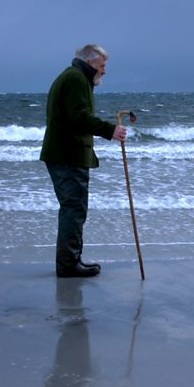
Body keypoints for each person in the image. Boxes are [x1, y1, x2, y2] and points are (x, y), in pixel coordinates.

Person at [41, 44, 126, 278]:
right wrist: (111, 130)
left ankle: (71, 260)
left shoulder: (75, 77)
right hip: (67, 155)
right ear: (90, 63)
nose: (105, 71)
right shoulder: (76, 79)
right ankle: (68, 264)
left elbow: (76, 117)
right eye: (102, 65)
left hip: (65, 153)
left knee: (73, 207)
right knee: (74, 208)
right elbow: (79, 117)